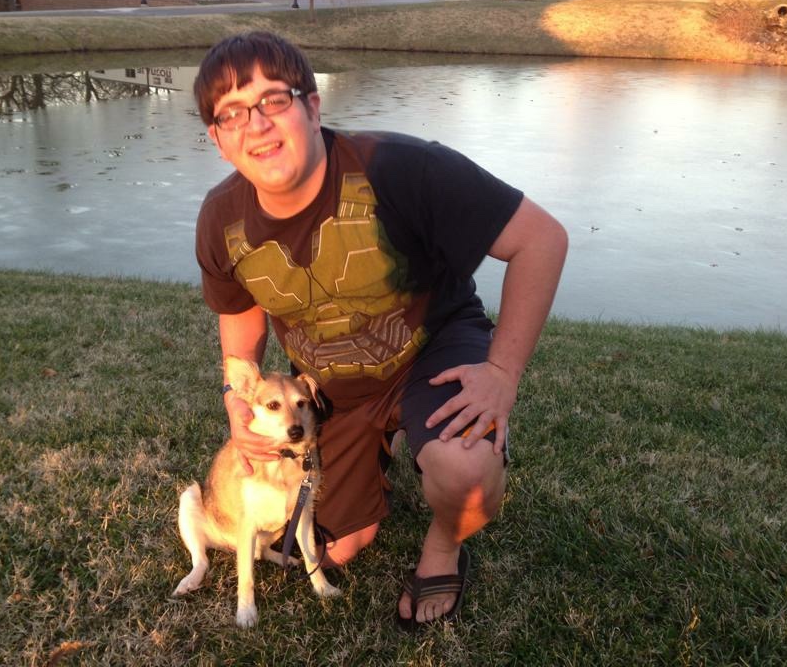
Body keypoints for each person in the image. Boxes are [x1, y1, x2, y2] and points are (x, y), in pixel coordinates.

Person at [192, 31, 567, 628]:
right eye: (232, 113)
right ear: (217, 140)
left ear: (313, 107)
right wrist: (236, 400)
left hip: (431, 352)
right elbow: (239, 313)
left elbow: (541, 240)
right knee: (335, 547)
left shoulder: (400, 168)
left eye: (273, 100)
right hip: (330, 390)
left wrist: (502, 371)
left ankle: (443, 547)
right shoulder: (221, 219)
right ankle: (376, 458)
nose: (256, 124)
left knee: (465, 473)